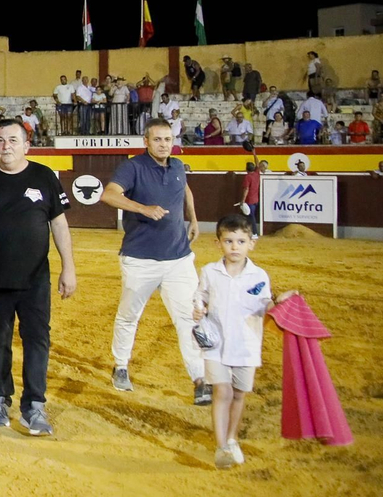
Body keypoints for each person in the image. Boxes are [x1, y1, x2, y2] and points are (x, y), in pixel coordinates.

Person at [0, 117, 77, 435]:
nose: (5, 146)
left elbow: (59, 225)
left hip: (36, 279)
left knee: (37, 341)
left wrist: (69, 266)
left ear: (26, 145)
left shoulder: (44, 176)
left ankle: (34, 407)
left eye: (12, 140)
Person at [101, 118, 209, 404]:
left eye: (168, 139)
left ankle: (200, 379)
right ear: (146, 141)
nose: (164, 144)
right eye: (158, 139)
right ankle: (121, 365)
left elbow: (185, 189)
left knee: (189, 318)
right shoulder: (132, 167)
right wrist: (142, 208)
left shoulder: (176, 166)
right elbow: (108, 195)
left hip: (179, 257)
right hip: (140, 259)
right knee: (129, 316)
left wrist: (194, 218)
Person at [193, 216, 298, 468]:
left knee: (239, 395)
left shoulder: (259, 276)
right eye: (228, 241)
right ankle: (220, 448)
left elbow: (266, 308)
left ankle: (231, 439)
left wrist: (281, 301)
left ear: (252, 243)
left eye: (241, 241)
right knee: (223, 391)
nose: (234, 247)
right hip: (215, 344)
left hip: (246, 346)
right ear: (218, 243)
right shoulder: (209, 271)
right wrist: (198, 308)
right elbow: (200, 297)